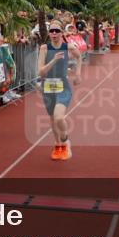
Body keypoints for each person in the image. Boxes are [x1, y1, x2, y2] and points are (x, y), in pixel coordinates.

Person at [37, 19, 81, 161]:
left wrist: (78, 74)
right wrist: (54, 60)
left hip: (63, 86)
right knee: (51, 118)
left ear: (62, 33)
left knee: (58, 117)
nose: (54, 33)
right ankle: (58, 145)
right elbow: (41, 72)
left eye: (57, 31)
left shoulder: (68, 47)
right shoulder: (44, 48)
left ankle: (66, 140)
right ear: (49, 33)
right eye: (52, 31)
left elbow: (79, 56)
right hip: (48, 87)